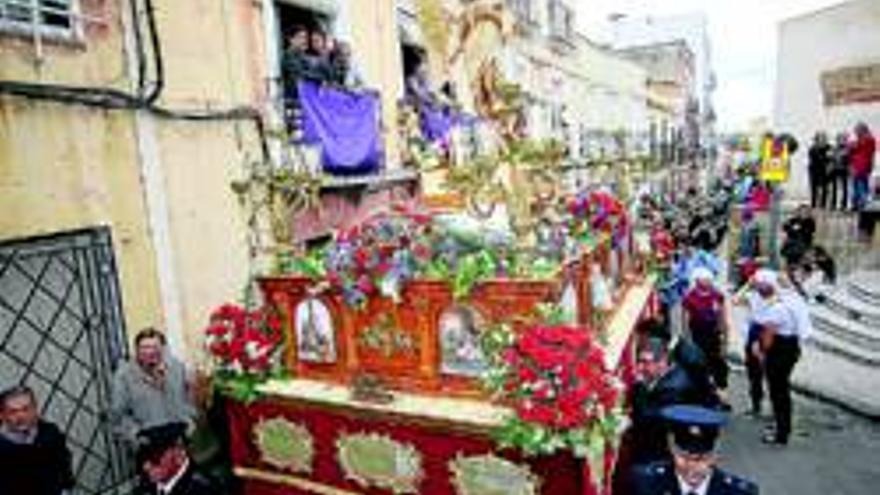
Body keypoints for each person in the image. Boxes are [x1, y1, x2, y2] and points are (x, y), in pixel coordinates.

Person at [630, 405, 759, 495]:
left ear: (716, 454)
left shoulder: (740, 492)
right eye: (684, 457)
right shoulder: (645, 484)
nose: (692, 467)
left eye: (702, 459)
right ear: (671, 448)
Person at [627, 337, 718, 465]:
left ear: (663, 362)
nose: (640, 367)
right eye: (639, 361)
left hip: (662, 453)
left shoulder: (672, 389)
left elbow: (645, 417)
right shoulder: (671, 373)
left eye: (646, 362)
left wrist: (640, 385)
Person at [111, 328, 197, 447]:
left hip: (179, 438)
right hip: (148, 440)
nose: (150, 352)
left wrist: (189, 422)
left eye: (155, 347)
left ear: (163, 348)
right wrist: (136, 435)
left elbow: (189, 398)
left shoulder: (177, 368)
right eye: (145, 348)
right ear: (137, 350)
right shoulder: (124, 376)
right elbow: (119, 413)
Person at [750, 270, 804, 445]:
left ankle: (781, 432)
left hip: (779, 350)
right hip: (792, 346)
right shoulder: (794, 301)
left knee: (778, 392)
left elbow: (768, 337)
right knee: (782, 390)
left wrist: (761, 351)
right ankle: (781, 426)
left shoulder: (778, 308)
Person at [0, 385, 75, 495]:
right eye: (13, 411)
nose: (21, 416)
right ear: (2, 415)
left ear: (35, 409)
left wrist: (66, 487)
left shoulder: (50, 433)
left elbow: (64, 464)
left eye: (26, 409)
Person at [682, 268, 731, 406]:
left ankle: (723, 396)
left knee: (719, 366)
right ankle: (704, 397)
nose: (709, 281)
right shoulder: (689, 297)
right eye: (705, 279)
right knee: (701, 367)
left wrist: (725, 339)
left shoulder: (717, 295)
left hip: (714, 335)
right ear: (697, 281)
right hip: (698, 335)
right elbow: (685, 321)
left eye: (710, 279)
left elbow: (723, 317)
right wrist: (688, 341)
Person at [136, 422, 220, 495]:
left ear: (179, 455)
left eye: (155, 459)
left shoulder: (203, 489)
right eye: (143, 458)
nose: (146, 466)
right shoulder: (147, 486)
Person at [849, 122, 876, 212]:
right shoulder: (863, 140)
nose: (856, 133)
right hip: (859, 167)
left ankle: (862, 205)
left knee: (861, 187)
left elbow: (854, 148)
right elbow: (852, 150)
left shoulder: (868, 140)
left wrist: (853, 145)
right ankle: (856, 205)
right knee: (857, 186)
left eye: (857, 130)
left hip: (861, 167)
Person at [807, 132, 831, 209]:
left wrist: (828, 164)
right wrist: (824, 158)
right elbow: (815, 158)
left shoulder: (829, 148)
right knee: (814, 188)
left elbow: (830, 158)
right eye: (820, 139)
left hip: (824, 170)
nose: (822, 140)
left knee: (824, 188)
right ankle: (813, 204)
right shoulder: (813, 148)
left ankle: (823, 205)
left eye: (823, 139)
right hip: (814, 170)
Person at [829, 132, 850, 211]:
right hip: (835, 170)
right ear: (837, 140)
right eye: (839, 139)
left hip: (844, 170)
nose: (841, 141)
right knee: (834, 188)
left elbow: (849, 160)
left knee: (845, 188)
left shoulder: (848, 149)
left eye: (843, 139)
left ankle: (843, 205)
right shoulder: (834, 148)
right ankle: (833, 204)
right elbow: (831, 158)